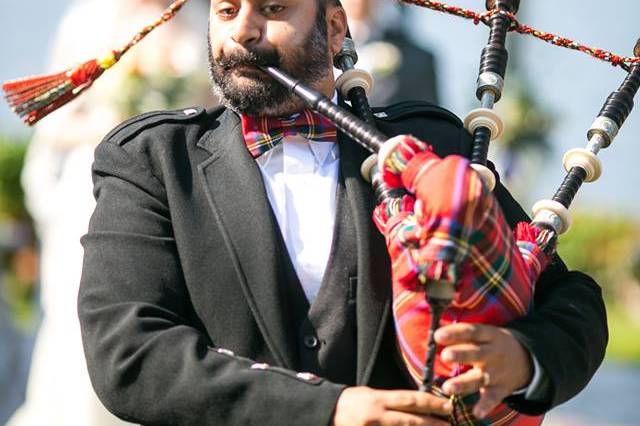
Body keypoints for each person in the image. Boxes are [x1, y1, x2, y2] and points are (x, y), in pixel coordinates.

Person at [77, 0, 607, 424]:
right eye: (227, 10)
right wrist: (327, 411)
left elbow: (569, 298)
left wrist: (524, 358)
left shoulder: (429, 146)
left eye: (273, 9)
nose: (243, 32)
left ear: (334, 29)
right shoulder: (152, 160)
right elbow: (128, 351)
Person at [9, 0, 213, 424]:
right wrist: (122, 128)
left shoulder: (202, 16)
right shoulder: (91, 18)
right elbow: (54, 122)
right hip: (100, 188)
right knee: (86, 311)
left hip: (181, 186)